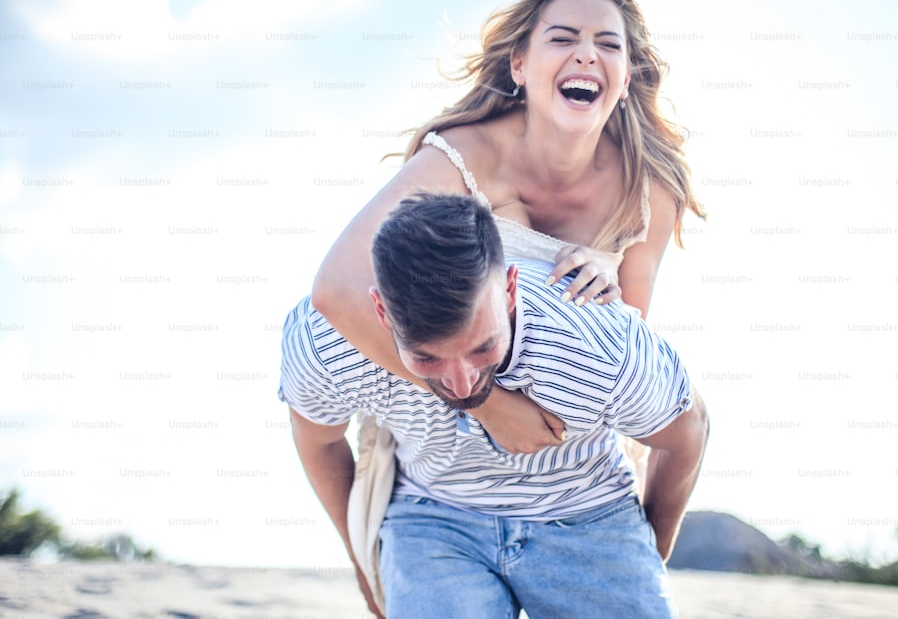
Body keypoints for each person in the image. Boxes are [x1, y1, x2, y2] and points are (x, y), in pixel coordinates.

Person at [311, 0, 707, 455]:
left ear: (624, 78)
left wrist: (612, 268)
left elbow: (625, 349)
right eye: (563, 38)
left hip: (560, 442)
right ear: (519, 64)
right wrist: (490, 406)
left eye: (608, 44)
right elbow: (335, 288)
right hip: (439, 423)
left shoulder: (650, 190)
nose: (586, 54)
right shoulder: (463, 154)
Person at [280, 193, 709, 618]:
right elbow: (318, 441)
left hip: (587, 511)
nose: (462, 384)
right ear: (381, 312)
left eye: (481, 348)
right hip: (433, 517)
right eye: (427, 358)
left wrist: (653, 547)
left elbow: (688, 432)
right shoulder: (328, 344)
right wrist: (360, 559)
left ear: (509, 289)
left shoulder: (596, 343)